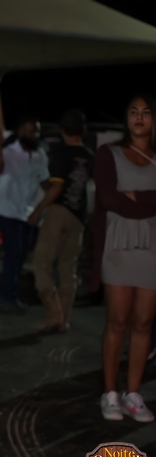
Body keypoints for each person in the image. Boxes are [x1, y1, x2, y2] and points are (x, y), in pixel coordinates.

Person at [93, 94, 156, 423]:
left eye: (146, 112)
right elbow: (108, 198)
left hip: (152, 249)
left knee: (144, 323)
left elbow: (123, 199)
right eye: (133, 111)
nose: (139, 117)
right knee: (117, 321)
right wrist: (149, 201)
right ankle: (110, 393)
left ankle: (133, 393)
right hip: (117, 248)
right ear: (126, 118)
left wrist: (133, 197)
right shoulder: (109, 153)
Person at [30, 110, 94, 332]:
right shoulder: (89, 155)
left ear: (62, 129)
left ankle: (54, 314)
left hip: (59, 213)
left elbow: (58, 186)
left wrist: (38, 210)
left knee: (41, 263)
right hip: (79, 217)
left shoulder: (60, 152)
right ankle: (64, 319)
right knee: (68, 267)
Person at [0, 116, 50, 312]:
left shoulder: (40, 154)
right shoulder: (10, 152)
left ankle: (7, 294)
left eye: (37, 131)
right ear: (20, 132)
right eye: (31, 131)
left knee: (22, 254)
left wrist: (56, 193)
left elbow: (44, 180)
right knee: (14, 252)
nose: (35, 135)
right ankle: (8, 296)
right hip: (7, 209)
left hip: (28, 211)